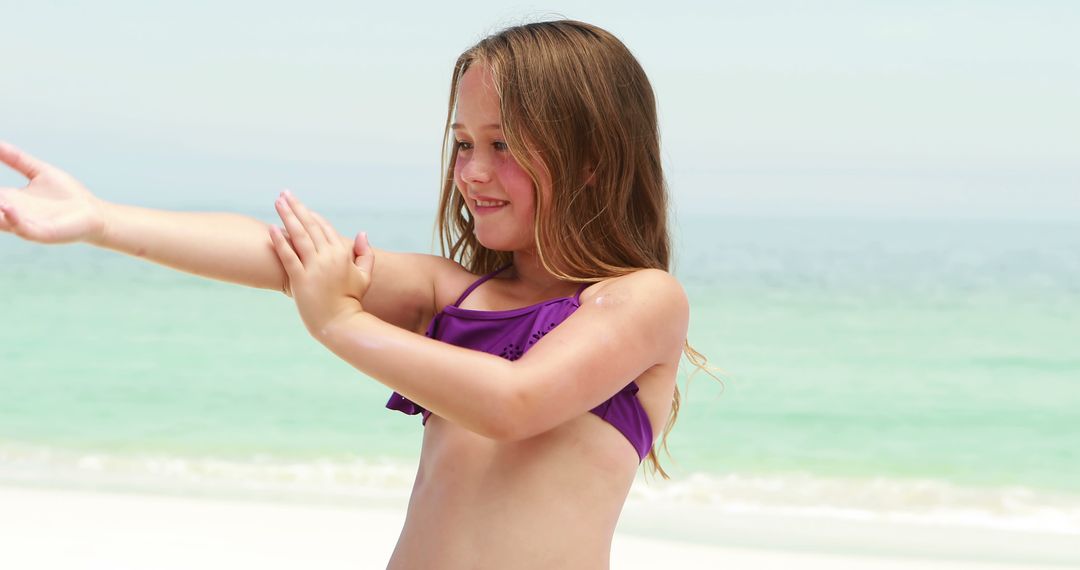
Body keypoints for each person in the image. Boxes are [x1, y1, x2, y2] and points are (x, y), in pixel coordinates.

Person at [0, 19, 709, 570]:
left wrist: (339, 323)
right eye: (464, 143)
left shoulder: (643, 301)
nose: (473, 171)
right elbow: (283, 259)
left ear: (591, 160)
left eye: (505, 145)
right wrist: (98, 219)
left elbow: (514, 402)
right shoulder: (450, 293)